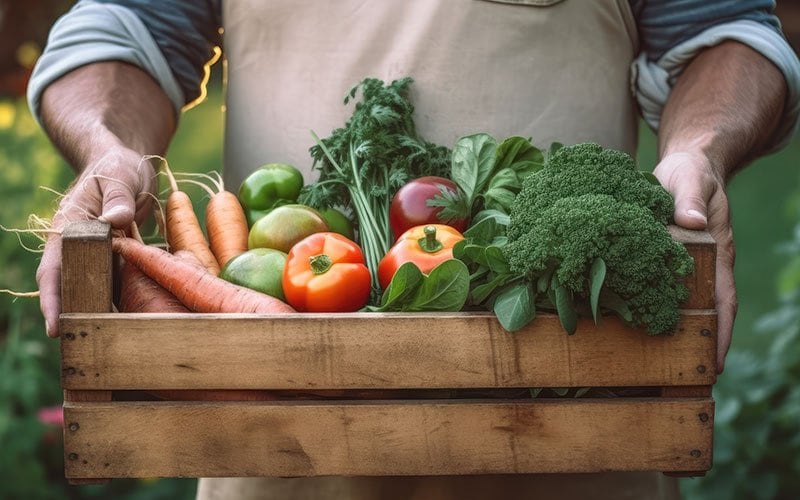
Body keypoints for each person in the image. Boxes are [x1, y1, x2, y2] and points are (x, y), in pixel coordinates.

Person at [27, 1, 800, 499]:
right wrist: (106, 144)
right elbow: (123, 30)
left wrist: (700, 146)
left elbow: (722, 34)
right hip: (278, 452)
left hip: (578, 440)